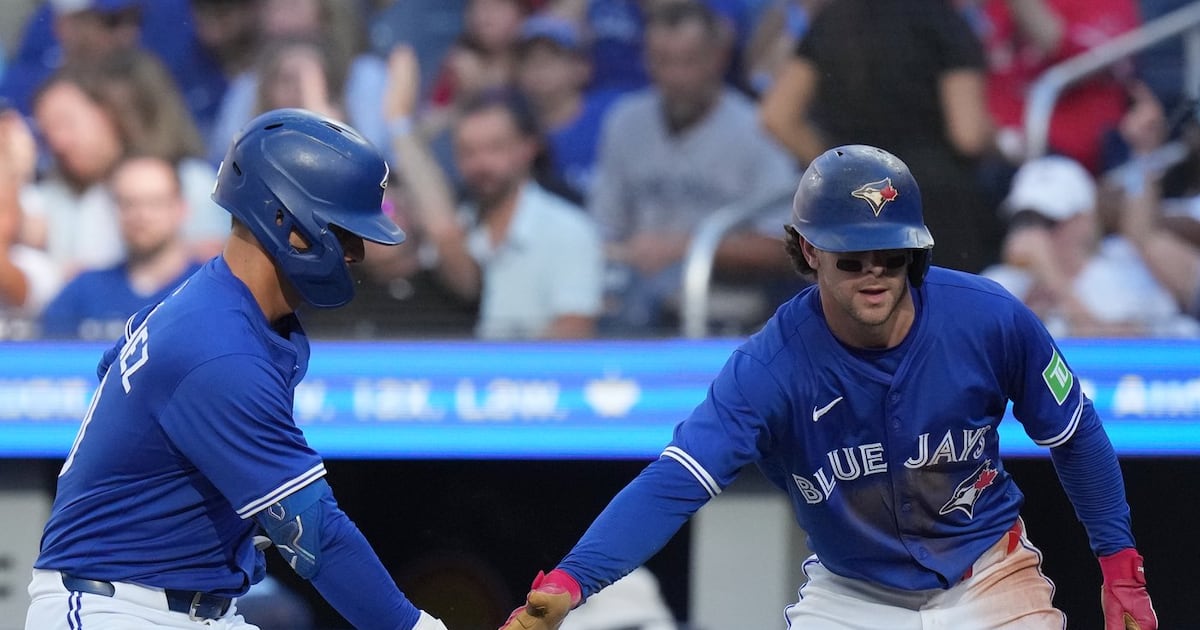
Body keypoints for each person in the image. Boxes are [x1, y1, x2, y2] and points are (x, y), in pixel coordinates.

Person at [499, 145, 1157, 630]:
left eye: (890, 254)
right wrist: (573, 576)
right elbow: (676, 481)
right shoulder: (770, 365)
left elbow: (1075, 434)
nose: (874, 272)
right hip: (853, 597)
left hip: (985, 576)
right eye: (851, 256)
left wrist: (1119, 563)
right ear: (809, 250)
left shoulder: (989, 318)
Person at [24, 109, 449, 630]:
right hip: (117, 609)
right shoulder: (219, 348)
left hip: (186, 606)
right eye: (343, 231)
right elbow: (316, 535)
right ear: (283, 221)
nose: (356, 253)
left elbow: (114, 373)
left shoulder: (221, 301)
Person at [590, 1, 797, 333]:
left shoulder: (757, 129)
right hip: (633, 297)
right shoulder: (625, 121)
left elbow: (785, 247)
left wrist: (685, 246)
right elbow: (603, 229)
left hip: (726, 305)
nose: (674, 76)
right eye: (662, 62)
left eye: (687, 62)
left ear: (717, 58)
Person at [388, 46, 604, 340]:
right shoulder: (462, 223)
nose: (480, 164)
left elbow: (573, 335)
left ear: (528, 147)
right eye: (468, 152)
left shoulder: (568, 229)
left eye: (495, 148)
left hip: (536, 382)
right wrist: (400, 125)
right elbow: (444, 236)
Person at [981, 153, 1198, 337]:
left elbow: (1137, 353)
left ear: (1083, 221)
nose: (1034, 234)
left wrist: (1056, 280)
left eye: (1048, 221)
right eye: (1024, 220)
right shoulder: (997, 284)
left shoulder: (1123, 276)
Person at [39, 155, 205, 340]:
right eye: (128, 203)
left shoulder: (208, 289)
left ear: (181, 209)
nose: (142, 215)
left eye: (154, 202)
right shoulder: (84, 290)